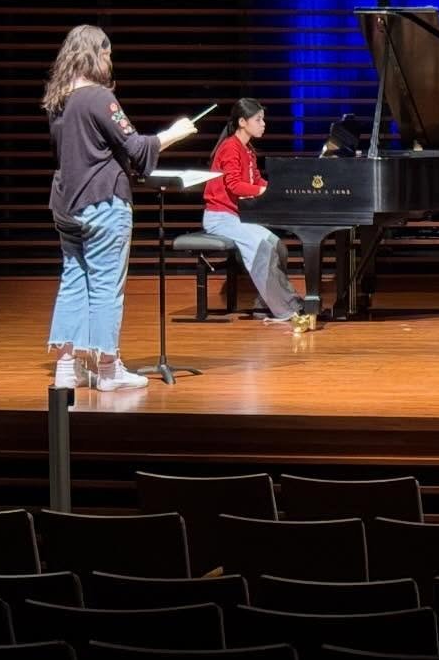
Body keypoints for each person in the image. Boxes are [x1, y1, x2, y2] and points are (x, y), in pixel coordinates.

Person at [45, 24, 196, 391]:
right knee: (105, 286)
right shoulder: (98, 98)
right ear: (95, 54)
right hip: (102, 203)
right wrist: (176, 132)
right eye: (108, 54)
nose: (110, 62)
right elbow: (137, 148)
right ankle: (108, 369)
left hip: (67, 203)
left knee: (73, 281)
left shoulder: (58, 100)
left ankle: (68, 369)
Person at [202, 98, 308, 328]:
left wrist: (275, 189)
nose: (263, 124)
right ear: (242, 122)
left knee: (277, 245)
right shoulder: (230, 147)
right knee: (262, 249)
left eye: (263, 119)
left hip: (235, 217)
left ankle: (267, 301)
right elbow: (233, 185)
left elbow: (254, 179)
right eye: (258, 120)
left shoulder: (247, 149)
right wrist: (263, 190)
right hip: (220, 217)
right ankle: (284, 310)